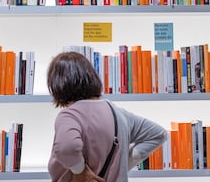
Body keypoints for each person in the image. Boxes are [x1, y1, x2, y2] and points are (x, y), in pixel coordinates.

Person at [46, 51, 168, 182]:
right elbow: (159, 134)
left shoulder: (70, 116)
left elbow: (67, 147)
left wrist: (79, 170)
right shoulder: (118, 113)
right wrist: (124, 162)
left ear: (58, 84)